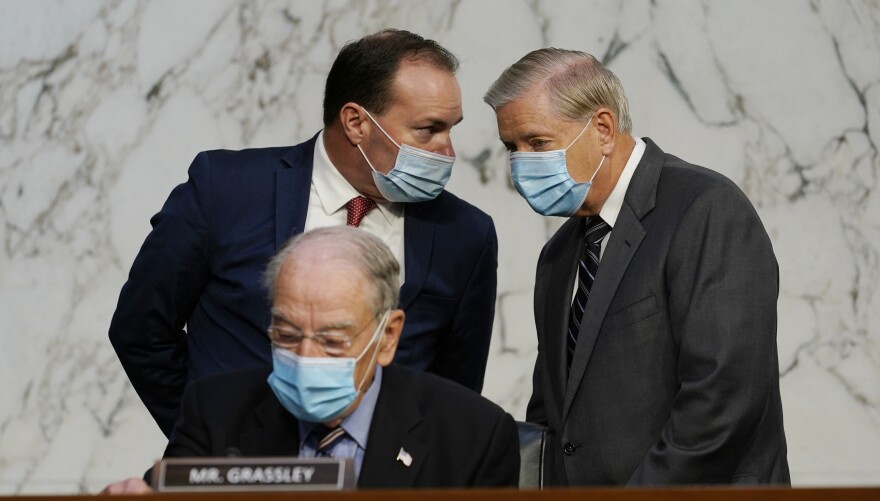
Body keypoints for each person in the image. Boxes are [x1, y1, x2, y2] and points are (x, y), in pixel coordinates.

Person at [109, 29, 498, 437]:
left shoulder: (465, 233)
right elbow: (141, 330)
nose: (448, 151)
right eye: (428, 130)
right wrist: (207, 436)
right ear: (355, 123)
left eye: (451, 129)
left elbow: (456, 388)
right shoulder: (224, 191)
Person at [483, 48, 789, 485]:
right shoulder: (557, 255)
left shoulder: (705, 208)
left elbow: (722, 399)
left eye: (537, 142)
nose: (521, 163)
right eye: (510, 147)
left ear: (603, 129)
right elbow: (553, 413)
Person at [101, 227, 519, 494]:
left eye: (332, 341)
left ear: (388, 336)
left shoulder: (473, 436)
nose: (305, 358)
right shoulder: (216, 411)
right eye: (285, 335)